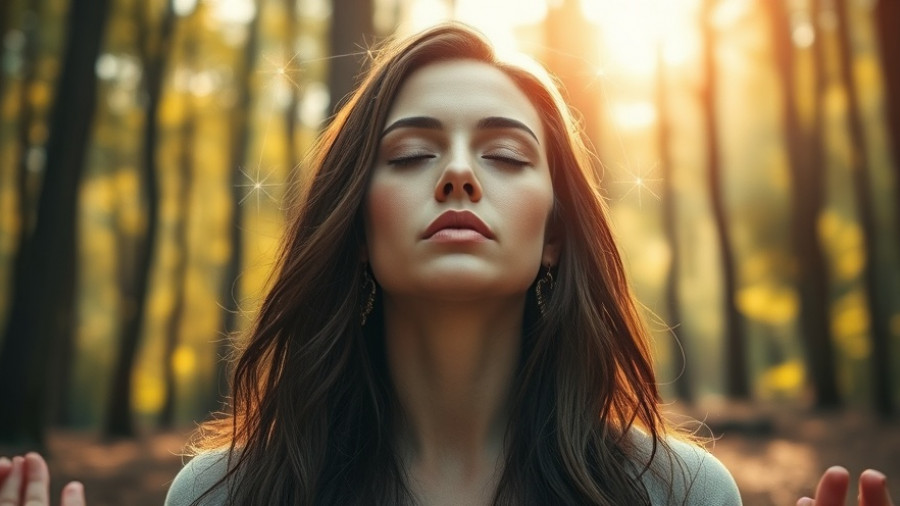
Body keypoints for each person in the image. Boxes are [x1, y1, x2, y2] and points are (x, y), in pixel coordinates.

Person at [0, 23, 893, 506]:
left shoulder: (683, 495)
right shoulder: (223, 495)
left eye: (506, 156)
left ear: (553, 236)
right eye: (411, 153)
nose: (460, 172)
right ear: (354, 225)